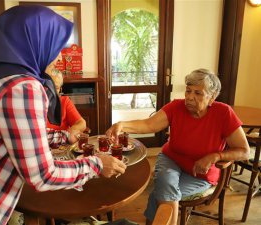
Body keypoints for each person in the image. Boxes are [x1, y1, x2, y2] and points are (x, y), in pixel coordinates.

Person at [0, 5, 126, 225]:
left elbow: (17, 134)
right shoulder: (22, 88)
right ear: (36, 41)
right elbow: (42, 175)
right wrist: (96, 165)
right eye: (56, 46)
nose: (59, 56)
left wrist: (64, 137)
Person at [106, 69, 250, 225]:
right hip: (171, 159)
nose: (189, 97)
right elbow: (149, 124)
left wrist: (216, 156)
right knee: (165, 187)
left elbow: (244, 151)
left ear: (212, 97)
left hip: (200, 173)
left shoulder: (223, 113)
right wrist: (122, 125)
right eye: (188, 91)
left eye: (198, 93)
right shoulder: (177, 107)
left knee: (159, 194)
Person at [46, 63, 86, 144]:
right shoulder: (35, 103)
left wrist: (71, 131)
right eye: (49, 86)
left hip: (63, 146)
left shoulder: (64, 101)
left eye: (56, 88)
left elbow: (82, 123)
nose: (52, 91)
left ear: (60, 89)